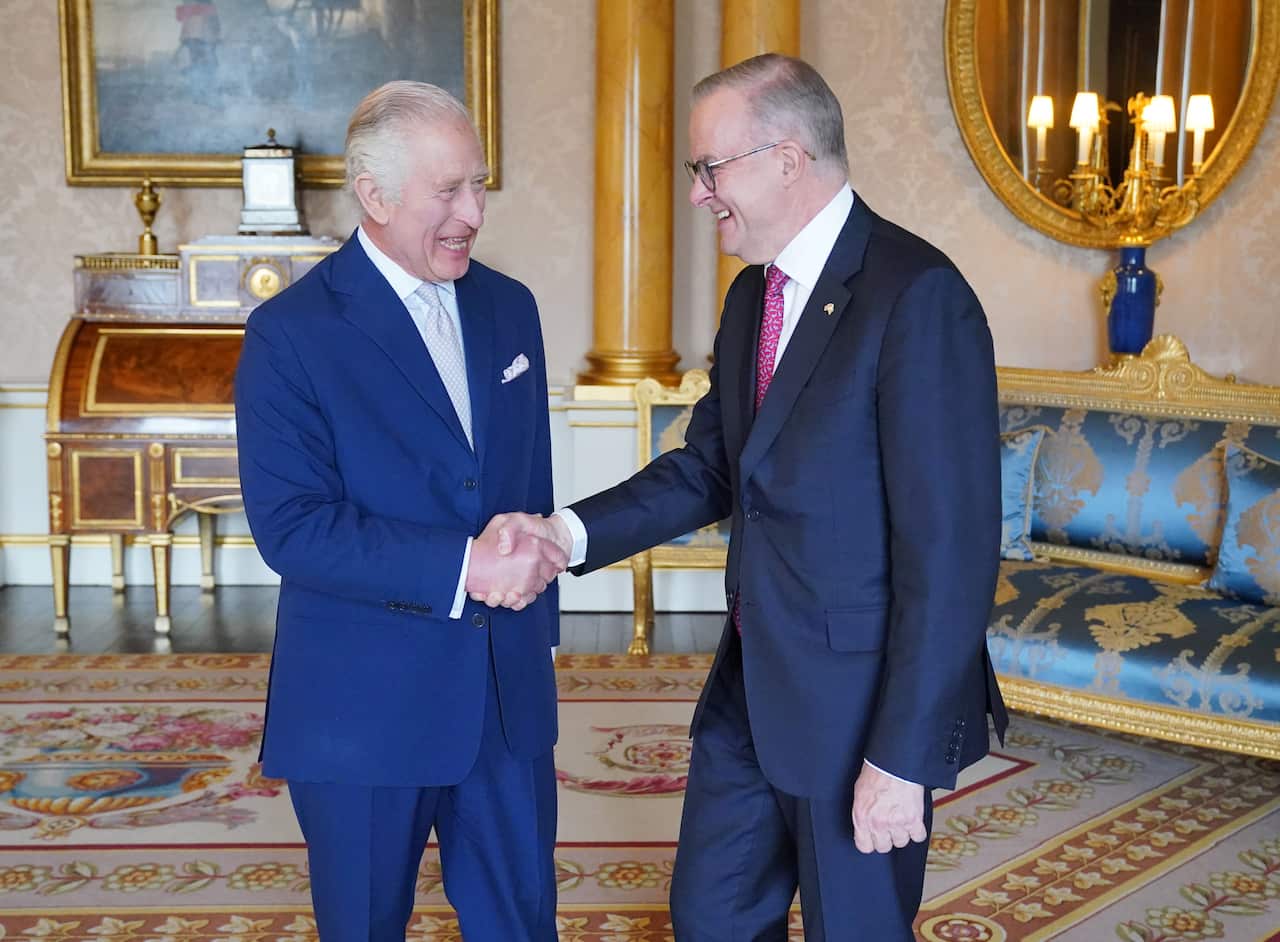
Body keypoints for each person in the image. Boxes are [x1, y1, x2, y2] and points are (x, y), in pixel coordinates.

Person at [494, 54, 1009, 939]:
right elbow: (710, 467)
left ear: (786, 158)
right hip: (752, 686)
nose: (698, 194)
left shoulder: (918, 297)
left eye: (709, 168)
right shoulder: (752, 298)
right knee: (712, 916)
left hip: (862, 713)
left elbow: (951, 554)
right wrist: (562, 534)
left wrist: (901, 757)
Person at [234, 81, 564, 941]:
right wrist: (466, 566)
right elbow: (294, 528)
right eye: (448, 190)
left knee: (524, 928)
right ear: (373, 197)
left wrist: (533, 601)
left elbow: (527, 487)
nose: (474, 213)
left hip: (504, 698)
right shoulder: (290, 334)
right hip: (361, 705)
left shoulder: (511, 307)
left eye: (480, 185)